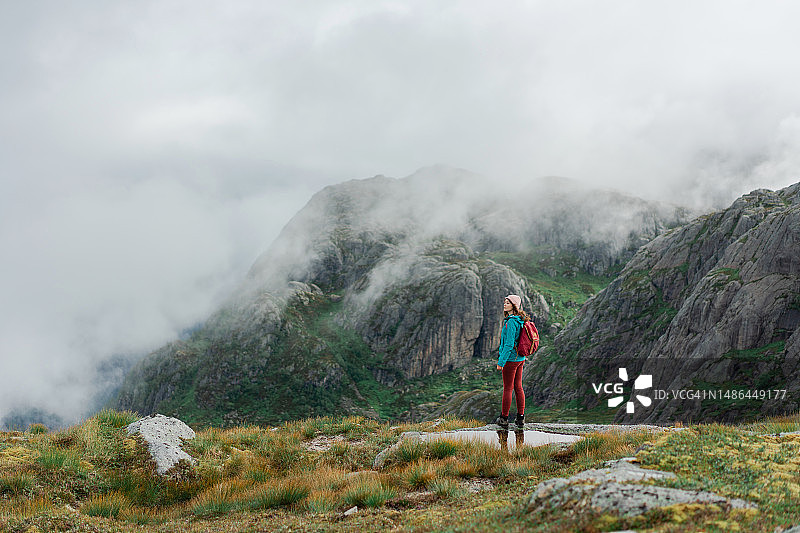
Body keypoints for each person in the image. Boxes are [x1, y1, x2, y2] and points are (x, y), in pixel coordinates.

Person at [494, 294, 529, 430]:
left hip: (511, 359)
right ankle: (520, 418)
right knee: (518, 387)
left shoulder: (511, 322)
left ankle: (504, 418)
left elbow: (508, 344)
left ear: (514, 306)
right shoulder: (521, 320)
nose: (504, 304)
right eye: (504, 302)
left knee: (508, 388)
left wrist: (501, 362)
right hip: (520, 358)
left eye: (507, 302)